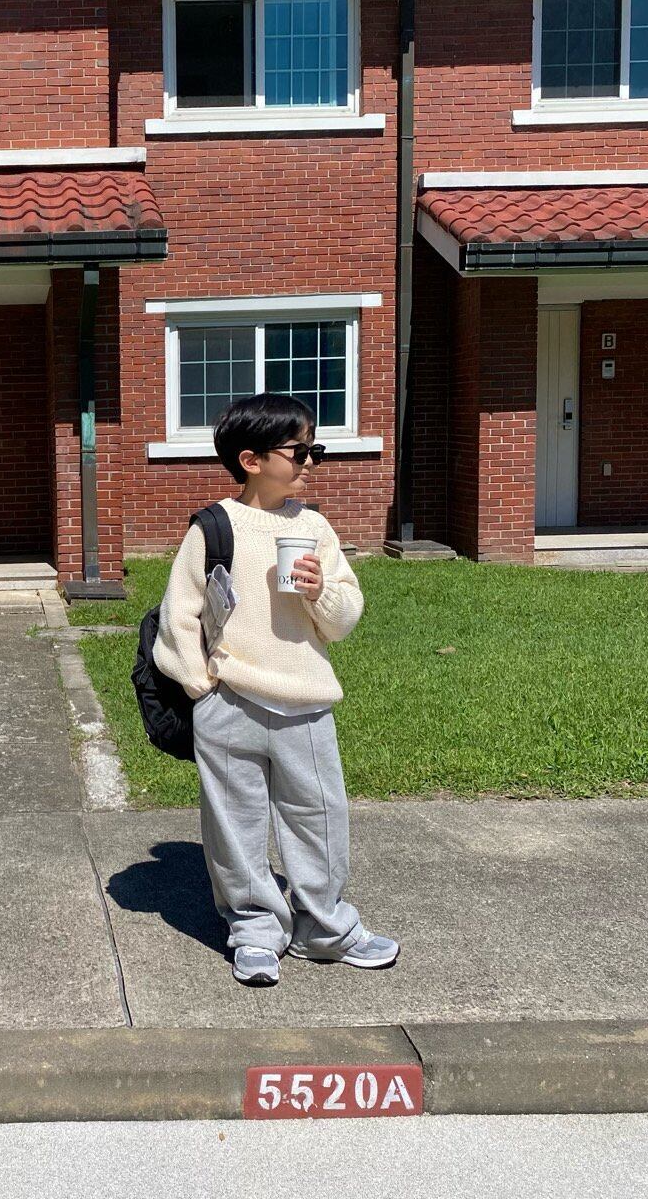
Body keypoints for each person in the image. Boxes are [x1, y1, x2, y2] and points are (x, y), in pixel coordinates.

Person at [153, 392, 399, 986]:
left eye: (315, 449)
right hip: (229, 701)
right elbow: (178, 614)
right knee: (234, 824)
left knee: (319, 817)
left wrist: (321, 592)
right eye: (299, 450)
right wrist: (202, 687)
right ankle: (255, 929)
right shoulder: (213, 527)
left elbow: (343, 619)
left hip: (306, 701)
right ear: (252, 459)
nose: (310, 460)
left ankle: (325, 928)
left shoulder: (313, 526)